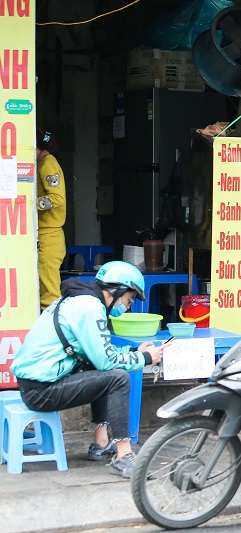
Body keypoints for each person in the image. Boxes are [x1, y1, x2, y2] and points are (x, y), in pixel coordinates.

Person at [11, 261, 168, 477]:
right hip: (41, 392)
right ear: (117, 290)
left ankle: (101, 443)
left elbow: (97, 353)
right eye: (129, 299)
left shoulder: (79, 300)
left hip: (35, 385)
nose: (129, 305)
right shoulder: (90, 308)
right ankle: (123, 456)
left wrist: (134, 350)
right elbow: (106, 361)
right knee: (118, 378)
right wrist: (145, 357)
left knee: (104, 372)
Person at [36, 129, 67, 310]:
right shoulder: (42, 165)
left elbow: (57, 198)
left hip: (50, 234)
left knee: (50, 292)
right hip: (45, 234)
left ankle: (52, 329)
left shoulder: (48, 164)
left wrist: (31, 205)